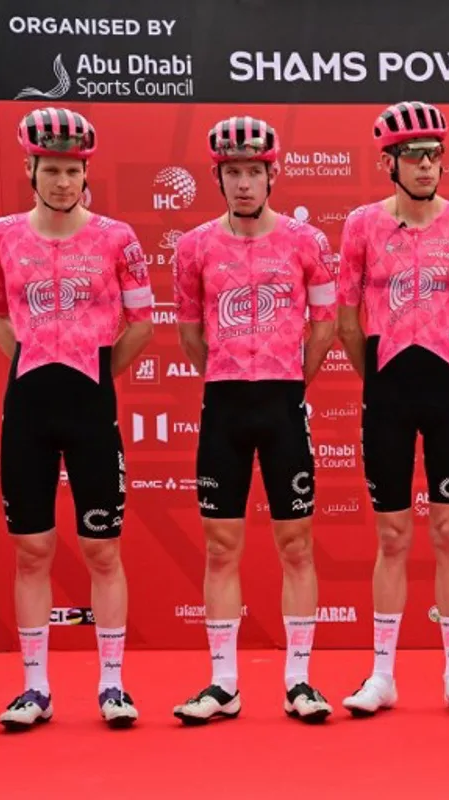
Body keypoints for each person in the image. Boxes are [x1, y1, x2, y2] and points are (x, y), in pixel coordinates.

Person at [0, 107, 154, 730]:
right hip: (27, 404)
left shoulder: (117, 238)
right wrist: (39, 358)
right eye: (51, 169)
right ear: (30, 168)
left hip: (91, 406)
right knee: (31, 549)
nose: (62, 181)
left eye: (73, 170)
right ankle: (35, 689)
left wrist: (96, 370)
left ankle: (112, 685)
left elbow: (143, 322)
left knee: (101, 548)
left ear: (87, 173)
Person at [171, 115, 338, 725]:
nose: (244, 183)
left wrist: (292, 377)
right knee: (221, 546)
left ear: (274, 174)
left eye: (254, 172)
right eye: (233, 172)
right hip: (223, 405)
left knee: (296, 543)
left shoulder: (305, 242)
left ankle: (299, 680)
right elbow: (190, 331)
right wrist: (225, 372)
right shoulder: (193, 246)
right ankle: (223, 683)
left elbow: (324, 324)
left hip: (283, 402)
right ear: (219, 178)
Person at [336, 101, 449, 717]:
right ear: (390, 163)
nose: (427, 166)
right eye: (413, 156)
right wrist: (378, 375)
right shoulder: (361, 226)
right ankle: (382, 675)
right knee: (393, 533)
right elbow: (348, 319)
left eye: (434, 155)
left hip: (447, 385)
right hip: (387, 390)